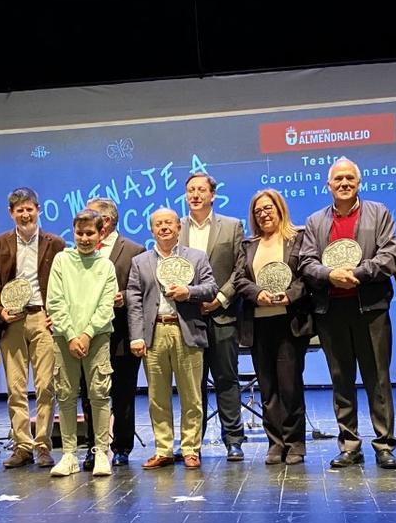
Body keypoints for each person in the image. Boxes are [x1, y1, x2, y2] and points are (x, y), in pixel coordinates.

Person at [298, 157, 396, 469]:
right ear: (328, 185)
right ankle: (350, 446)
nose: (344, 184)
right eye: (338, 179)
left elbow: (389, 257)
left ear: (359, 183)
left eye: (349, 179)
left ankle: (384, 445)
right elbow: (306, 262)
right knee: (341, 380)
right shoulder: (316, 221)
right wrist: (330, 275)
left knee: (378, 380)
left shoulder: (379, 213)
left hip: (370, 309)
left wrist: (356, 272)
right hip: (331, 310)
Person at [127, 208, 217, 470]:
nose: (164, 227)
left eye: (169, 223)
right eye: (158, 224)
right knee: (157, 396)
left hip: (186, 330)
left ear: (179, 227)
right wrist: (136, 336)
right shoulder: (140, 261)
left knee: (191, 395)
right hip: (154, 333)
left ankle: (190, 448)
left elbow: (211, 288)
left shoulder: (196, 257)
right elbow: (133, 301)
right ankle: (163, 449)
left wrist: (188, 292)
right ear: (152, 230)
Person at [232, 189, 312, 465]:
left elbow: (306, 276)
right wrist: (257, 294)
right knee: (268, 387)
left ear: (280, 209)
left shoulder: (297, 240)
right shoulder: (248, 245)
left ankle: (295, 443)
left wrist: (291, 294)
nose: (264, 214)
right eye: (258, 211)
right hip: (258, 324)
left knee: (289, 386)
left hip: (289, 323)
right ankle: (275, 443)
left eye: (268, 208)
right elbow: (240, 280)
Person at [0, 187, 65, 469]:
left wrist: (55, 313)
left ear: (38, 209)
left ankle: (43, 444)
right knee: (16, 387)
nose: (25, 214)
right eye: (19, 210)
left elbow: (62, 282)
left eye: (29, 208)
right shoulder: (0, 243)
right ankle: (22, 446)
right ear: (11, 213)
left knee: (46, 385)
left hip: (41, 317)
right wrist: (0, 310)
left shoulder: (54, 243)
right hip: (13, 320)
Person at [46, 209, 118, 477]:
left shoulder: (106, 266)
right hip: (65, 338)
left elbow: (105, 306)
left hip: (96, 338)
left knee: (99, 394)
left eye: (90, 233)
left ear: (101, 234)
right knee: (65, 394)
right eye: (80, 233)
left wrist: (87, 334)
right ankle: (68, 454)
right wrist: (70, 334)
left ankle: (101, 451)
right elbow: (55, 300)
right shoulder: (62, 260)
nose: (85, 238)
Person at [179, 173, 246, 460]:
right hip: (188, 317)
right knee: (192, 385)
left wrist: (220, 299)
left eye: (201, 190)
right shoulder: (175, 228)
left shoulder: (231, 226)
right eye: (191, 190)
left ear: (212, 195)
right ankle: (193, 443)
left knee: (226, 379)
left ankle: (233, 440)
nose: (195, 195)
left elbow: (240, 269)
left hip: (222, 315)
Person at [85, 198, 145, 467]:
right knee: (90, 393)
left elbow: (143, 293)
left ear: (106, 221)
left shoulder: (134, 250)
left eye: (91, 216)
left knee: (123, 392)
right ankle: (94, 447)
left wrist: (125, 298)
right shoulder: (81, 250)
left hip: (121, 332)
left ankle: (122, 447)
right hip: (89, 334)